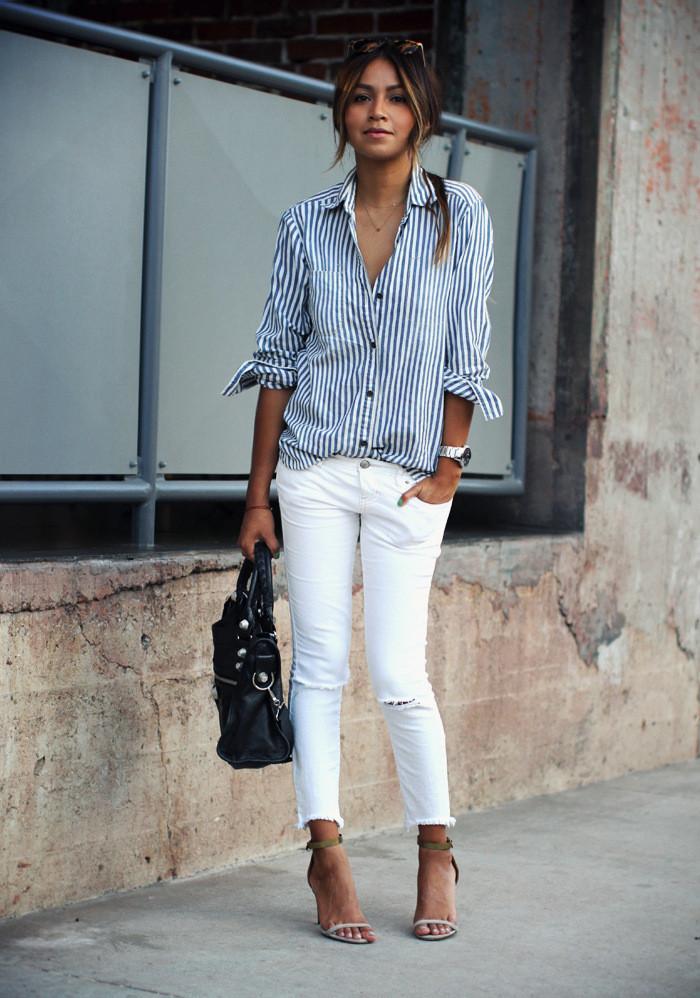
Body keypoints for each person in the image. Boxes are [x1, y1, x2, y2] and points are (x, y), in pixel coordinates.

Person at [220, 36, 504, 944]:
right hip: (311, 473)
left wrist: (451, 464)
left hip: (410, 482)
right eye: (358, 97)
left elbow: (467, 353)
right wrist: (258, 494)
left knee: (397, 674)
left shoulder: (462, 216)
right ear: (342, 115)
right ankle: (326, 855)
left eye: (393, 97)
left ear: (421, 113)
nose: (375, 110)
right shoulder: (305, 225)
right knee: (320, 669)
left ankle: (435, 850)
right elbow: (277, 363)